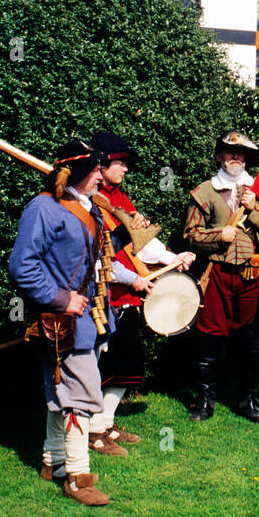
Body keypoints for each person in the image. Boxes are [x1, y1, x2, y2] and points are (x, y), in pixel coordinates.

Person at [8, 139, 115, 506]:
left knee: (64, 392)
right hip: (59, 321)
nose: (102, 176)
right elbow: (22, 266)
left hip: (81, 320)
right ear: (80, 173)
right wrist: (61, 297)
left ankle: (51, 461)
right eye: (97, 170)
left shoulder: (87, 207)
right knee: (82, 396)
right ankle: (77, 476)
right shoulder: (43, 208)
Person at [88, 129, 195, 456]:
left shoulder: (118, 198)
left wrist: (171, 257)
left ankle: (106, 422)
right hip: (102, 297)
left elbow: (141, 241)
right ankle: (93, 432)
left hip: (127, 297)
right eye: (120, 163)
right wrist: (130, 277)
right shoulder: (88, 201)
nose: (126, 169)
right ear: (102, 164)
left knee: (127, 364)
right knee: (96, 368)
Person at [184, 130, 259, 423]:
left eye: (240, 153)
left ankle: (247, 399)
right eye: (228, 152)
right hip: (218, 274)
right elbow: (190, 235)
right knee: (210, 336)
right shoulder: (204, 191)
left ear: (246, 158)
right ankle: (205, 398)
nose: (234, 157)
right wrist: (218, 235)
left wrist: (255, 209)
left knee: (249, 338)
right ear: (219, 156)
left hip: (252, 275)